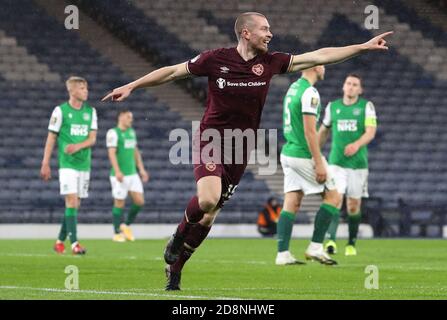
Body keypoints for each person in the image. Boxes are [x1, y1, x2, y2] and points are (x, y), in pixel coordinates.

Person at [102, 12, 392, 290]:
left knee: (210, 215)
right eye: (265, 29)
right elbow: (174, 71)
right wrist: (133, 85)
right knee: (207, 199)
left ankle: (175, 269)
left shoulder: (271, 62)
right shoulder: (216, 59)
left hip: (241, 147)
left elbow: (318, 55)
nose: (270, 34)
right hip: (211, 138)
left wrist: (362, 48)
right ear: (247, 32)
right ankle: (177, 237)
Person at [276, 66, 340, 266]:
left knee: (292, 201)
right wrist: (319, 162)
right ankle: (315, 247)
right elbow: (310, 132)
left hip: (288, 152)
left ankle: (283, 254)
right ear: (314, 66)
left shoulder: (294, 87)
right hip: (303, 154)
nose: (324, 68)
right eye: (321, 64)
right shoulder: (310, 92)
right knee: (334, 196)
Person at [319, 74, 377, 256]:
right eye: (348, 83)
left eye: (355, 85)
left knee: (353, 206)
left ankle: (351, 243)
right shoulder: (333, 107)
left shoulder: (366, 107)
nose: (351, 87)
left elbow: (371, 132)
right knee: (335, 199)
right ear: (343, 86)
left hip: (358, 165)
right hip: (336, 162)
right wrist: (314, 153)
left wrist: (356, 144)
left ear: (360, 90)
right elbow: (323, 132)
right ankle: (331, 241)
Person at [41, 76, 97, 255]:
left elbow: (92, 138)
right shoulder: (60, 111)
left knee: (74, 205)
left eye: (86, 87)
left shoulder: (91, 112)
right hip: (67, 165)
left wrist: (78, 146)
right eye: (81, 88)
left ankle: (59, 241)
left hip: (84, 164)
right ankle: (74, 244)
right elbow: (51, 137)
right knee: (71, 201)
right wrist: (45, 162)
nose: (85, 91)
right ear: (71, 91)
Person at [106, 109, 149, 242]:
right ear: (121, 117)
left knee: (140, 201)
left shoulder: (131, 132)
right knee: (119, 202)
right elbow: (112, 153)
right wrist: (117, 171)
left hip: (132, 174)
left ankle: (126, 225)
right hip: (119, 175)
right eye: (129, 117)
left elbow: (135, 151)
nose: (131, 119)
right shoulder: (113, 133)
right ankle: (116, 232)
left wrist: (141, 169)